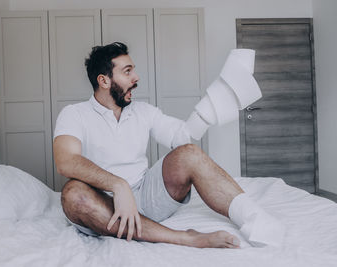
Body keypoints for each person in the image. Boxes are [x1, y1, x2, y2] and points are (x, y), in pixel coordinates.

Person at [53, 42, 257, 249]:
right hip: (102, 205)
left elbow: (183, 137)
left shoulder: (143, 111)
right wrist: (118, 185)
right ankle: (185, 238)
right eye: (127, 72)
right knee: (72, 194)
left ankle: (252, 217)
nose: (136, 78)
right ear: (104, 80)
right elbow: (66, 161)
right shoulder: (74, 114)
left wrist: (216, 102)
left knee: (189, 153)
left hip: (145, 197)